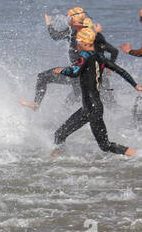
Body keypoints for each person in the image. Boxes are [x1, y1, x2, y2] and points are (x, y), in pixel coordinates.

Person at [50, 27, 140, 157]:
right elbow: (121, 71)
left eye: (78, 41)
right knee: (61, 134)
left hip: (91, 108)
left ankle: (137, 155)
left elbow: (74, 72)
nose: (76, 44)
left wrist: (61, 70)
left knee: (104, 145)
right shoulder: (100, 56)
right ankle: (56, 159)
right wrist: (136, 85)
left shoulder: (84, 55)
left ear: (86, 43)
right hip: (92, 107)